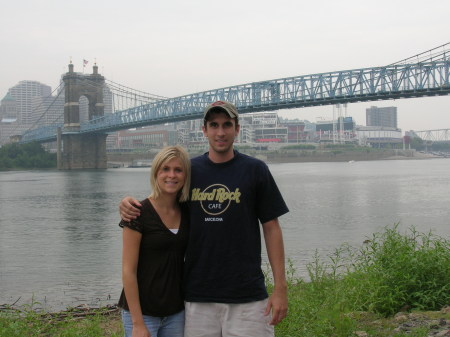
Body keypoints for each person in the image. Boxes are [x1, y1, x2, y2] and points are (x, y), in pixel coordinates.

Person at [120, 101, 289, 337]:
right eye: (214, 125)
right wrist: (128, 203)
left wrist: (280, 287)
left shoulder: (255, 170)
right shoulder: (190, 171)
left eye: (227, 125)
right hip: (197, 296)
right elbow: (160, 202)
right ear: (204, 130)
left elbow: (271, 228)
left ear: (237, 129)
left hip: (246, 294)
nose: (220, 132)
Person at [118, 145, 191, 337]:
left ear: (185, 175)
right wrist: (137, 323)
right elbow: (128, 271)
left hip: (176, 312)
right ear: (156, 172)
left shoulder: (188, 212)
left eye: (178, 170)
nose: (171, 175)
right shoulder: (137, 212)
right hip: (143, 313)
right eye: (165, 169)